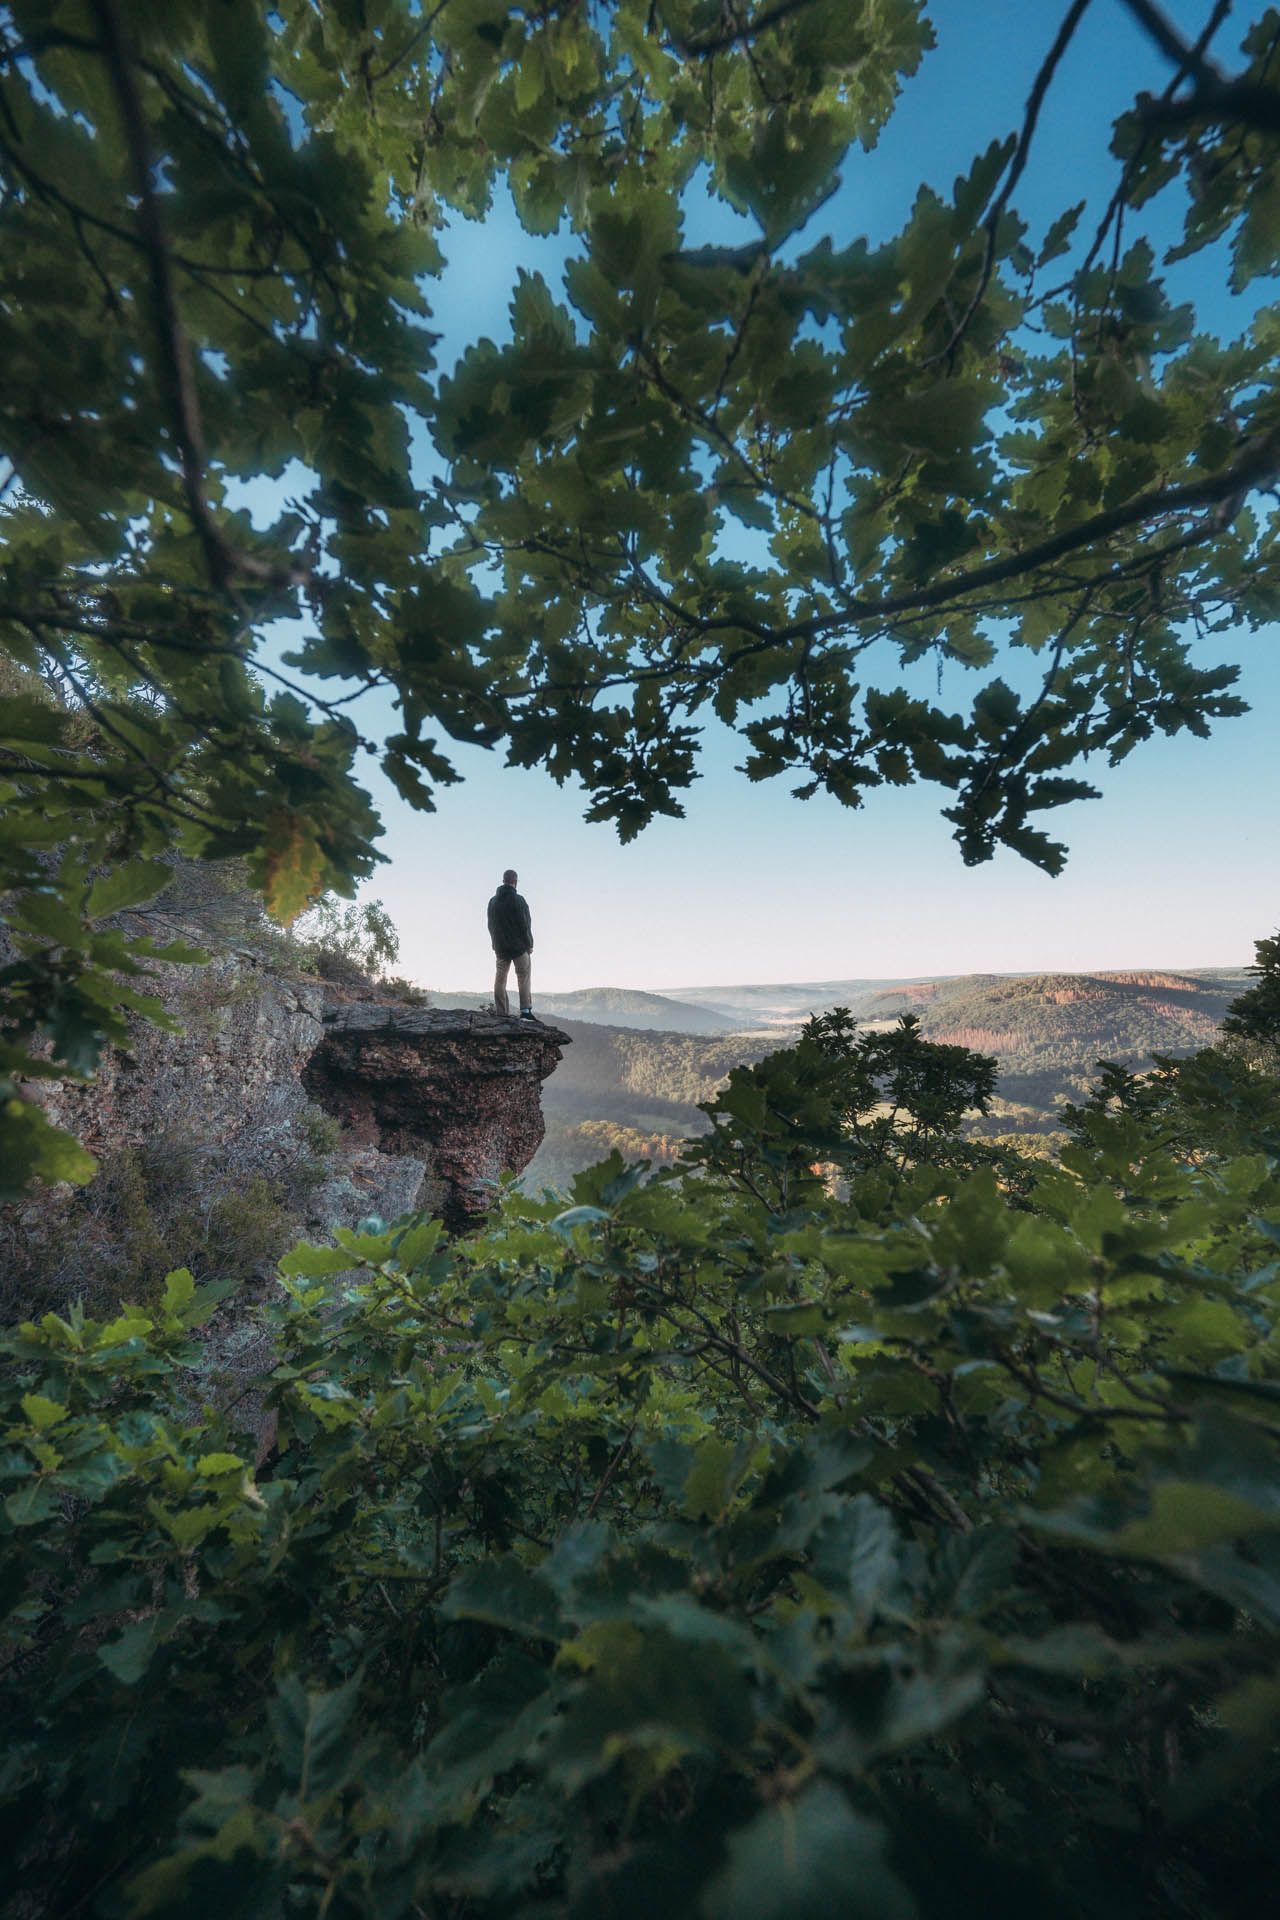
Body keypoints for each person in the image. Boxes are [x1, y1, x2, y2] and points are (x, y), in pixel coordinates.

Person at [487, 868, 535, 1019]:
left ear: (503, 881)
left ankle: (501, 1012)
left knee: (500, 978)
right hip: (518, 947)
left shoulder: (492, 902)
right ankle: (525, 1012)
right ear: (515, 882)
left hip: (500, 948)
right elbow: (525, 924)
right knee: (523, 976)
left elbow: (490, 925)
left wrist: (495, 943)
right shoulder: (519, 900)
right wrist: (530, 944)